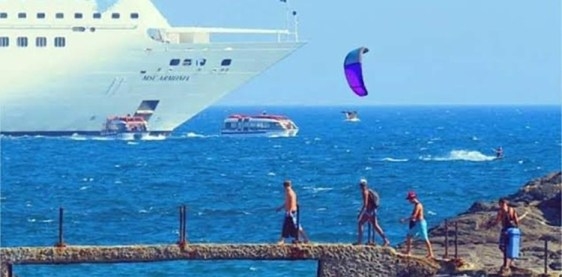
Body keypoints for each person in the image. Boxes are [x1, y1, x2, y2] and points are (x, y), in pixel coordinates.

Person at [486, 198, 519, 270]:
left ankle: (506, 264)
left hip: (506, 231)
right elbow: (516, 220)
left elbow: (497, 221)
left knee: (503, 246)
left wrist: (490, 225)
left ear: (501, 203)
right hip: (513, 230)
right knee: (511, 246)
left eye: (500, 204)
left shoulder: (501, 211)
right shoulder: (512, 210)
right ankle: (511, 262)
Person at [354, 178, 390, 246]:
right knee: (375, 225)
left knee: (360, 223)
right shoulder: (368, 190)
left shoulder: (365, 192)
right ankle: (386, 240)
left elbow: (365, 204)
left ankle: (359, 241)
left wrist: (360, 214)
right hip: (373, 210)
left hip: (369, 211)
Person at [401, 191, 434, 258]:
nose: (409, 201)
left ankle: (431, 254)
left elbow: (414, 216)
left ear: (412, 199)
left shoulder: (418, 205)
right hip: (417, 223)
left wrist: (405, 220)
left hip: (421, 224)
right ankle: (408, 252)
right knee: (409, 235)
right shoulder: (416, 205)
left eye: (409, 199)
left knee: (425, 238)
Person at [275, 180, 309, 244]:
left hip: (290, 212)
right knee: (296, 226)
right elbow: (287, 202)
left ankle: (282, 240)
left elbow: (291, 203)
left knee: (287, 226)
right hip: (292, 212)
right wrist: (280, 208)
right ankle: (305, 238)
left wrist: (289, 211)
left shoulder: (289, 193)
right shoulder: (291, 192)